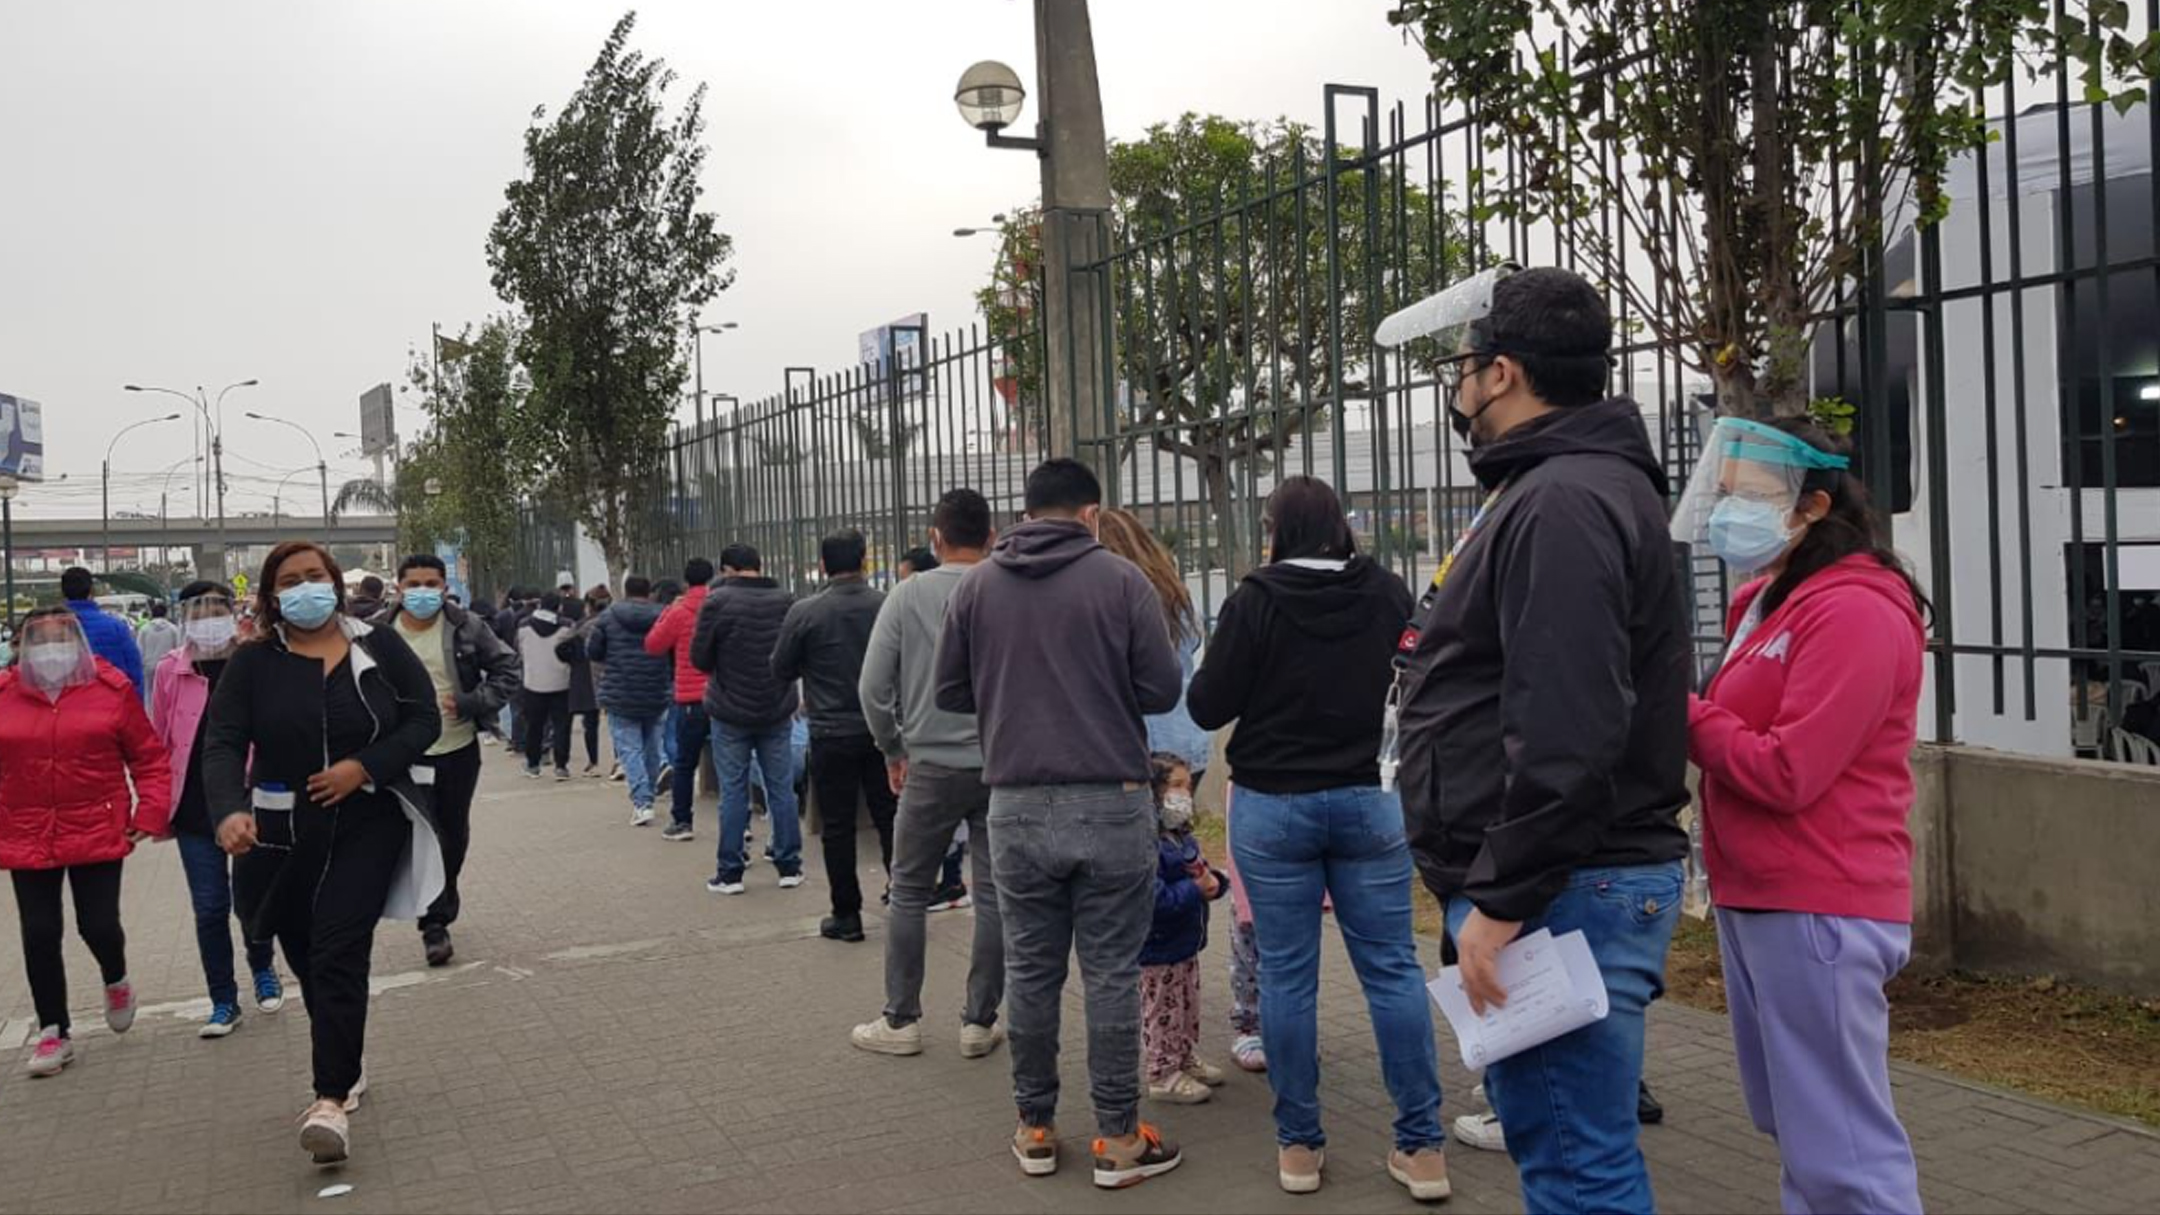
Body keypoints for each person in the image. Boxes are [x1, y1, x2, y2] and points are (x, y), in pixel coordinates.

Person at [1395, 267, 1690, 1215]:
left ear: (1503, 373)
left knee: (1575, 1165)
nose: (1458, 388)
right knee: (1562, 1151)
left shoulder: (1563, 499)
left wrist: (1503, 899)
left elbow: (1568, 725)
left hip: (1562, 886)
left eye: (1464, 368)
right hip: (1560, 879)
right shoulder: (1561, 487)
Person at [1678, 416, 1928, 1215]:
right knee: (1804, 1134)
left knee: (1846, 1153)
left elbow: (1791, 769)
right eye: (1722, 493)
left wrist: (1677, 712)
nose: (1726, 511)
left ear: (1814, 505)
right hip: (1761, 893)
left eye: (1747, 496)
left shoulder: (1855, 611)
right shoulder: (1767, 601)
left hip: (1820, 897)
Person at [1187, 474, 1449, 1200]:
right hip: (1372, 801)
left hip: (1274, 806)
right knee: (1393, 969)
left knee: (1288, 977)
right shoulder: (1388, 592)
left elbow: (1208, 703)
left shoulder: (1255, 600)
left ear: (1276, 528)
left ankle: (1299, 1146)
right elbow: (1420, 684)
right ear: (1340, 524)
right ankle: (1422, 1146)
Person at [935, 458, 1186, 1189]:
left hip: (1013, 801)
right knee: (1110, 972)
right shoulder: (1121, 582)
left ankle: (1035, 1127)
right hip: (1110, 798)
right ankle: (1117, 1138)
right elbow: (1162, 686)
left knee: (1033, 970)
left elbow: (951, 688)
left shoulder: (979, 584)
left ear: (1026, 511)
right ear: (1092, 513)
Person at [203, 540, 443, 1166]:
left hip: (369, 818)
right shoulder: (253, 663)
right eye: (291, 580)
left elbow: (422, 722)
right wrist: (230, 809)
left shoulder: (378, 645)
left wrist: (362, 766)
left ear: (335, 584)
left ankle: (329, 1100)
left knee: (339, 945)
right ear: (272, 594)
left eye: (316, 576)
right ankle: (346, 1054)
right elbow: (223, 742)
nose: (306, 588)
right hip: (282, 830)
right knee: (305, 950)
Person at [851, 488, 1005, 1057]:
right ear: (991, 537)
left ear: (935, 538)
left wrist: (893, 746)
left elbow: (872, 687)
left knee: (910, 889)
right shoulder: (1005, 590)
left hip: (929, 764)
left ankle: (901, 1020)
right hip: (1000, 765)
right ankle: (979, 1020)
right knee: (994, 895)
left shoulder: (907, 595)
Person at [0, 608, 172, 1077]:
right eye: (40, 640)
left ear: (77, 644)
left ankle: (115, 976)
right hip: (26, 830)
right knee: (38, 932)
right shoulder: (5, 695)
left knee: (96, 925)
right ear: (21, 646)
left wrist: (149, 811)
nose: (51, 649)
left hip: (96, 824)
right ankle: (53, 1029)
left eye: (61, 639)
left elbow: (150, 758)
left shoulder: (110, 691)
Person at [150, 581, 285, 1037]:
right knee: (209, 907)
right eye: (198, 609)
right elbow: (160, 735)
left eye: (216, 608)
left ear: (233, 612)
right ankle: (223, 1000)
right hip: (193, 806)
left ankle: (264, 967)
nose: (207, 617)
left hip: (249, 798)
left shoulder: (255, 662)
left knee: (252, 898)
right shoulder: (171, 670)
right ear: (184, 615)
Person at [375, 554, 521, 968]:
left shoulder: (466, 626)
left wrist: (474, 702)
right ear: (398, 587)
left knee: (452, 833)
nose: (423, 592)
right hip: (405, 753)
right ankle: (433, 921)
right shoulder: (377, 633)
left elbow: (509, 667)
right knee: (422, 834)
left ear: (444, 586)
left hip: (456, 749)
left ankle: (441, 902)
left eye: (432, 583)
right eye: (414, 584)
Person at [773, 529, 894, 942]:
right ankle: (906, 897)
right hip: (884, 729)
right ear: (864, 561)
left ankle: (847, 915)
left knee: (838, 826)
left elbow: (781, 667)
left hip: (829, 731)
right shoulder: (887, 604)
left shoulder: (806, 611)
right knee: (891, 816)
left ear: (823, 565)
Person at [690, 543, 805, 893]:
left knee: (733, 791)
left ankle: (730, 871)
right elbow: (794, 656)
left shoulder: (716, 602)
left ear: (727, 569)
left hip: (729, 711)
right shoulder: (787, 601)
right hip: (776, 707)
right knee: (781, 788)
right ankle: (789, 865)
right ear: (760, 565)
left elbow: (700, 658)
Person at [1139, 754, 1229, 1106]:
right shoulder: (1147, 843)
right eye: (1175, 786)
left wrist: (1216, 884)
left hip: (1185, 941)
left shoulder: (1182, 837)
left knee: (1186, 1004)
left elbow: (1201, 873)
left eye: (1187, 787)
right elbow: (1154, 898)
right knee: (1162, 1007)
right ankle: (1162, 1072)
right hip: (1157, 945)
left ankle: (1182, 1056)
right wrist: (1196, 890)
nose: (1183, 794)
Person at [1096, 510, 1211, 783]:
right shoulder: (1174, 591)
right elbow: (1193, 642)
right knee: (1175, 823)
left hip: (1140, 742)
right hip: (1186, 737)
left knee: (1139, 823)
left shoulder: (1113, 595)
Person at [588, 576, 674, 826]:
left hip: (620, 691)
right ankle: (647, 793)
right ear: (649, 592)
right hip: (656, 690)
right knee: (651, 748)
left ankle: (642, 802)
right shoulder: (663, 615)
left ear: (625, 591)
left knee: (629, 749)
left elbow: (593, 651)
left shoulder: (608, 616)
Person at [645, 559, 716, 842]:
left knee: (685, 763)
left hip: (690, 698)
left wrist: (666, 612)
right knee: (732, 764)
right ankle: (741, 824)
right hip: (722, 695)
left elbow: (653, 644)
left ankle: (682, 821)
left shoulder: (678, 611)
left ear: (686, 581)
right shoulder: (720, 606)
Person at [516, 592, 576, 781]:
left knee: (534, 726)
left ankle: (533, 765)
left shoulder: (523, 626)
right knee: (562, 726)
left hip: (533, 683)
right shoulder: (567, 626)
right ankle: (561, 767)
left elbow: (519, 651)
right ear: (559, 607)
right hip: (561, 683)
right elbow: (573, 652)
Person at [61, 566, 144, 695]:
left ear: (63, 592)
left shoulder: (53, 630)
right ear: (91, 591)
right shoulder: (117, 627)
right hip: (112, 707)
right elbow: (135, 675)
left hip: (68, 708)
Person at [564, 587, 608, 776]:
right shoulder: (615, 622)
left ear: (588, 605)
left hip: (584, 676)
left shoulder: (580, 627)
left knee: (589, 723)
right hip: (612, 676)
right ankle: (619, 763)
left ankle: (593, 761)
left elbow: (563, 647)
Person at [137, 598, 183, 704]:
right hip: (169, 666)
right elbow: (179, 648)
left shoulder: (144, 629)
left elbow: (139, 649)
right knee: (168, 691)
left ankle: (151, 715)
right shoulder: (173, 629)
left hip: (149, 666)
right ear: (166, 614)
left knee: (149, 692)